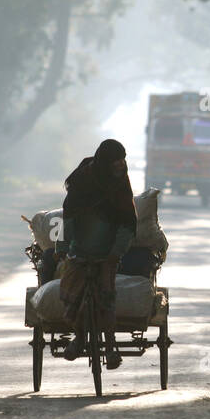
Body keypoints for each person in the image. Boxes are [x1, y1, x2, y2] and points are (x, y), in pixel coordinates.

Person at [59, 139, 136, 369]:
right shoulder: (82, 181)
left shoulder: (121, 184)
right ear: (105, 162)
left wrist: (116, 253)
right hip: (79, 251)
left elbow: (128, 223)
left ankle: (111, 345)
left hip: (108, 252)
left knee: (106, 293)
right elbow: (69, 217)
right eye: (116, 161)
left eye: (123, 160)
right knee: (72, 293)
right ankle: (80, 337)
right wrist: (63, 249)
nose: (121, 165)